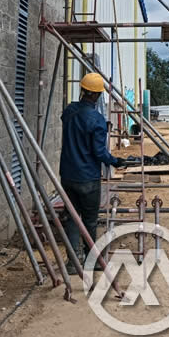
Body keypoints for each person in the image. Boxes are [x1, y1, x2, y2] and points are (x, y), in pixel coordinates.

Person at [59, 72, 127, 274]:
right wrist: (116, 161)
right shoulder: (96, 120)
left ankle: (72, 263)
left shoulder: (69, 111)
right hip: (88, 178)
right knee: (89, 220)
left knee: (72, 218)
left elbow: (67, 119)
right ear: (97, 95)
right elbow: (99, 152)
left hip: (68, 176)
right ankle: (92, 261)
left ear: (82, 90)